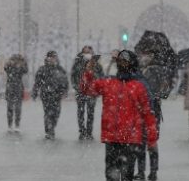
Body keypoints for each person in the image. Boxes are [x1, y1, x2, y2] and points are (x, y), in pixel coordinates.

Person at [80, 50, 158, 181]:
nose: (122, 63)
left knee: (126, 176)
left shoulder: (138, 87)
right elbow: (86, 89)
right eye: (120, 60)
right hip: (112, 139)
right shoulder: (108, 83)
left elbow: (147, 115)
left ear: (131, 64)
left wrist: (151, 139)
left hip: (130, 141)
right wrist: (88, 72)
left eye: (125, 61)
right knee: (111, 176)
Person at [134, 50, 169, 181]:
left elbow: (161, 91)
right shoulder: (140, 70)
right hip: (141, 111)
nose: (143, 57)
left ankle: (152, 171)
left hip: (152, 110)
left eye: (146, 54)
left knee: (151, 142)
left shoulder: (156, 70)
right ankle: (142, 171)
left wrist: (153, 95)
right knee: (141, 142)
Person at [31, 51, 69, 140]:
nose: (52, 59)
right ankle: (49, 131)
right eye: (50, 57)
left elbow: (65, 82)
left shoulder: (60, 69)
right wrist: (34, 93)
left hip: (57, 95)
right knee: (48, 113)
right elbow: (37, 82)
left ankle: (52, 126)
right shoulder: (42, 69)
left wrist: (65, 92)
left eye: (54, 57)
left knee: (56, 113)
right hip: (46, 95)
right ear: (47, 58)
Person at [71, 46, 103, 141]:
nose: (87, 54)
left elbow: (100, 76)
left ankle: (89, 132)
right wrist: (77, 87)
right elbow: (73, 76)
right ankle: (82, 131)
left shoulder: (96, 64)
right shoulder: (77, 64)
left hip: (91, 93)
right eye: (85, 52)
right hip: (80, 91)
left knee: (90, 113)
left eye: (89, 52)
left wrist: (97, 87)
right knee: (80, 112)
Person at [4, 54, 28, 132]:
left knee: (18, 109)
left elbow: (26, 70)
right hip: (10, 89)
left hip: (18, 89)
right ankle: (10, 125)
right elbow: (6, 68)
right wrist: (10, 63)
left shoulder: (20, 68)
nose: (16, 61)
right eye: (15, 59)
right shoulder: (9, 67)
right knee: (10, 108)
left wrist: (24, 61)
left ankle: (17, 125)